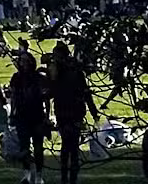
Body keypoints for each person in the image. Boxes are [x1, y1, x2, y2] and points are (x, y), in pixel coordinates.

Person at [49, 48, 99, 184]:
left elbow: (85, 93)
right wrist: (94, 112)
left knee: (68, 145)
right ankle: (70, 177)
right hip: (71, 112)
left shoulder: (67, 73)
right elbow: (86, 93)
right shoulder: (71, 72)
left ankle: (67, 177)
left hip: (68, 112)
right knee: (71, 145)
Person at [7, 53, 51, 184]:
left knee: (38, 146)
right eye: (22, 61)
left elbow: (46, 98)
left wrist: (47, 116)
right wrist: (12, 113)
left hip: (37, 115)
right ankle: (26, 173)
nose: (24, 64)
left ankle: (38, 174)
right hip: (22, 116)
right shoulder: (17, 78)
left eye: (26, 61)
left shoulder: (38, 78)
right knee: (24, 146)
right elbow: (14, 96)